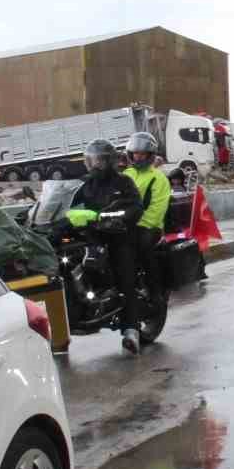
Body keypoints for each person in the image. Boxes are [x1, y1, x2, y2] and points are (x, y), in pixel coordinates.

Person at [69, 140, 147, 354]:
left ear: (109, 161)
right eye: (91, 160)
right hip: (93, 237)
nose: (94, 165)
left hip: (119, 236)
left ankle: (131, 330)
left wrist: (116, 218)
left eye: (99, 160)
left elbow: (135, 207)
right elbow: (70, 205)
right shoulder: (85, 185)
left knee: (125, 277)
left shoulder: (123, 182)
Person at [122, 131, 173, 304]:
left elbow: (156, 210)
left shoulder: (158, 179)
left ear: (150, 155)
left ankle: (155, 291)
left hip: (149, 227)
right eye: (135, 153)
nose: (138, 157)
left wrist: (134, 224)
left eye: (142, 153)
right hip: (124, 223)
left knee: (141, 248)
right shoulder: (126, 175)